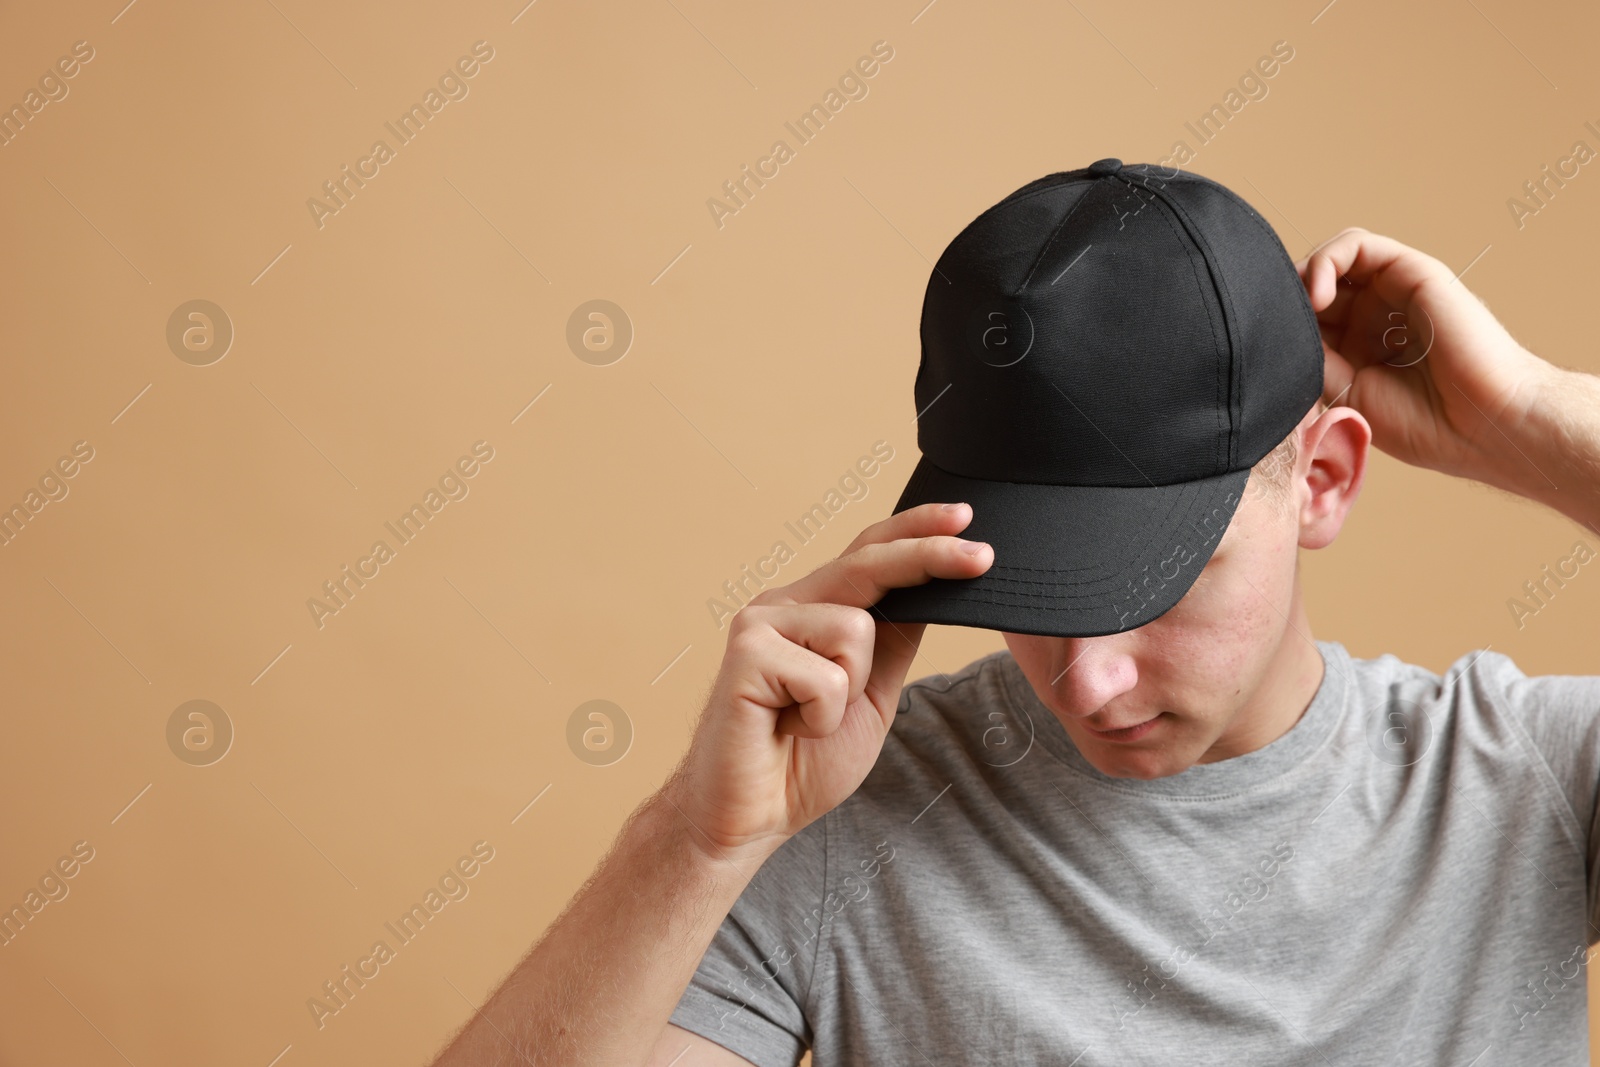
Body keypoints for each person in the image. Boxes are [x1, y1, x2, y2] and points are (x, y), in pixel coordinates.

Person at [426, 163, 1600, 1066]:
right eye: (1030, 590)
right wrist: (694, 841)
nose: (1086, 683)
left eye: (1157, 584)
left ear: (1326, 479)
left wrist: (1540, 423)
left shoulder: (1525, 783)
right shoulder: (844, 807)